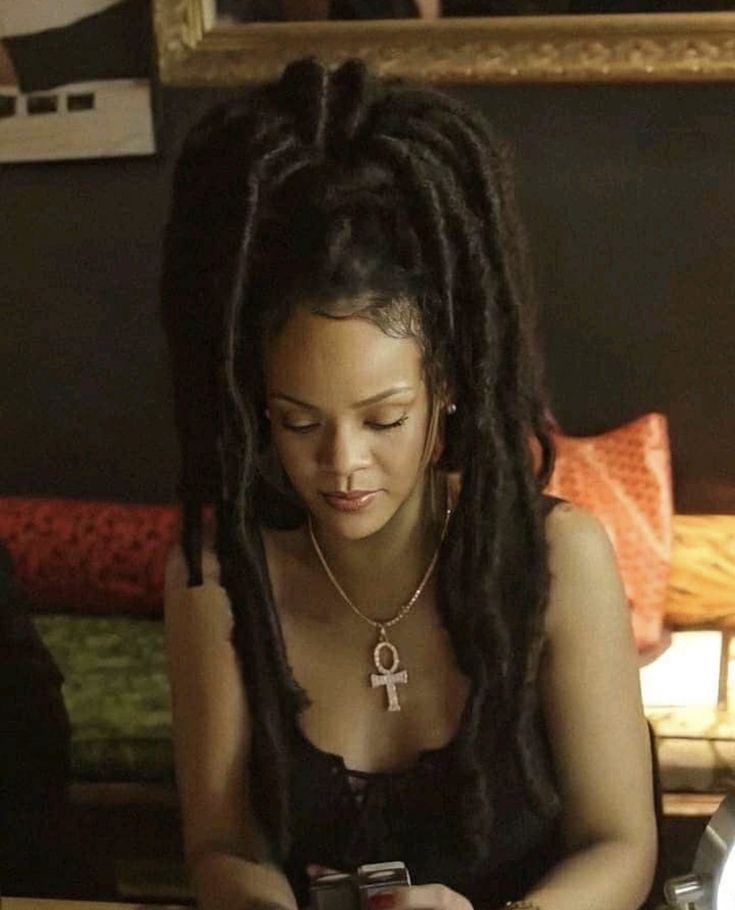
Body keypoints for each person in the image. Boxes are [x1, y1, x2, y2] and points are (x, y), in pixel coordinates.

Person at [160, 56, 657, 910]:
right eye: (299, 421)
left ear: (447, 391)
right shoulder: (218, 580)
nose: (343, 463)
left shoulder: (554, 556)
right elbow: (222, 843)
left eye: (384, 419)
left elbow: (618, 844)